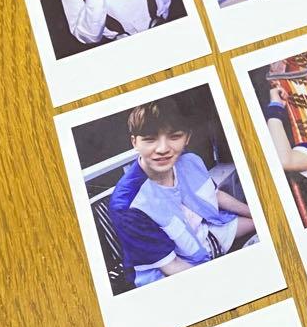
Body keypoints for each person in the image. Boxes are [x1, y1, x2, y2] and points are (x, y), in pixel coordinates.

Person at [109, 98, 255, 286]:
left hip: (209, 236)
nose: (163, 149)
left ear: (187, 137)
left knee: (267, 224)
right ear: (134, 142)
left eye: (175, 136)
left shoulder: (189, 161)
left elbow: (215, 195)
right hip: (172, 269)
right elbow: (171, 266)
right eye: (150, 139)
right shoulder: (128, 205)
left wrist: (257, 213)